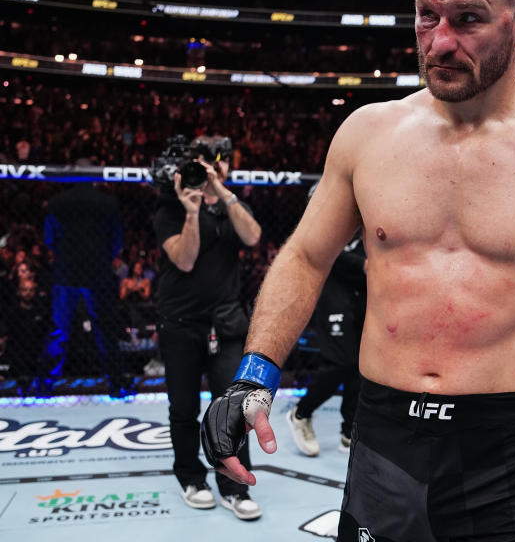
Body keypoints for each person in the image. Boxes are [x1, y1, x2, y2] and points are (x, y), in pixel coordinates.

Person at [201, 0, 515, 540]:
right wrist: (255, 375)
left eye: (467, 19)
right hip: (386, 435)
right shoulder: (367, 134)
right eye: (424, 16)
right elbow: (307, 257)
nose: (438, 43)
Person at [152, 135, 264, 520]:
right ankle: (191, 478)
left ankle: (234, 486)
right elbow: (184, 260)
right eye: (207, 162)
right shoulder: (170, 206)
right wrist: (192, 210)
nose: (214, 168)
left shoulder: (233, 207)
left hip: (226, 323)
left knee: (232, 410)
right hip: (180, 322)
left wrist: (222, 192)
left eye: (222, 163)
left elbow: (253, 236)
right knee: (183, 408)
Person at [41, 175, 127, 397]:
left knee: (59, 328)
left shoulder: (57, 203)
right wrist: (103, 257)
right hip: (96, 270)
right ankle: (116, 383)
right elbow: (116, 240)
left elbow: (49, 239)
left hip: (66, 271)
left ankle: (45, 384)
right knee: (104, 327)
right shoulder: (107, 203)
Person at [286, 228, 366, 456]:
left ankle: (349, 432)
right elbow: (320, 245)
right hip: (334, 295)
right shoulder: (327, 197)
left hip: (365, 295)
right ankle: (301, 413)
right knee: (341, 362)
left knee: (360, 365)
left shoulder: (373, 210)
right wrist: (365, 266)